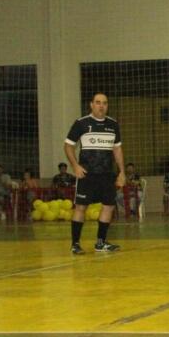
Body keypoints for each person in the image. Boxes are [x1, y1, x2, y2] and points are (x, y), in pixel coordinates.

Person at [64, 92, 126, 254]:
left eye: (104, 103)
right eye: (98, 102)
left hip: (107, 174)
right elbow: (68, 146)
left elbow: (117, 149)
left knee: (108, 206)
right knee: (81, 208)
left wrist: (122, 172)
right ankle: (75, 244)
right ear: (91, 105)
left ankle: (101, 242)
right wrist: (75, 166)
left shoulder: (113, 124)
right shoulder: (81, 123)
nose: (101, 106)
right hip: (87, 175)